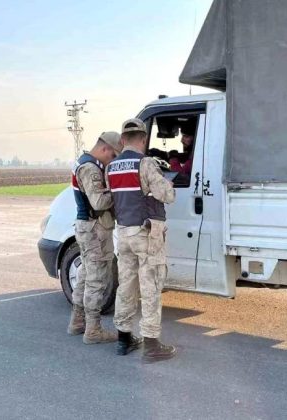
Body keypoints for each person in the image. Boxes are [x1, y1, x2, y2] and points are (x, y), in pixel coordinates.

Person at [106, 118, 177, 362]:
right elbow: (167, 195)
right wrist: (168, 183)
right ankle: (151, 344)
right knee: (150, 287)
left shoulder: (112, 167)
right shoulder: (145, 163)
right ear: (144, 139)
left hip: (123, 233)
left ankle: (123, 340)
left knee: (126, 286)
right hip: (145, 234)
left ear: (123, 140)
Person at [68, 131, 124, 344]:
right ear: (104, 149)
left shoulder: (84, 162)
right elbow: (99, 203)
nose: (113, 160)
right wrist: (119, 190)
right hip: (94, 229)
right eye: (113, 156)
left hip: (87, 228)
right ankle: (93, 330)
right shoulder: (90, 168)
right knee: (96, 279)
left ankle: (77, 322)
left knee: (84, 274)